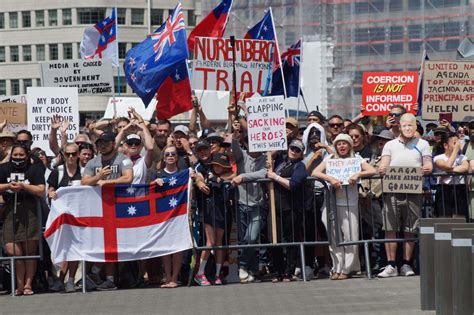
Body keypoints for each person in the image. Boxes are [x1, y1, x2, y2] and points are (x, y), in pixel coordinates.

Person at [313, 134, 376, 280]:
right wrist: (330, 178)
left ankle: (347, 268)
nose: (342, 146)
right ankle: (337, 266)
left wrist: (357, 174)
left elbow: (372, 170)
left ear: (350, 145)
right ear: (335, 146)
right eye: (339, 143)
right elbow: (315, 172)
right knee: (333, 236)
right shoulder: (329, 159)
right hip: (331, 202)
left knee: (350, 235)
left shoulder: (356, 159)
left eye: (345, 143)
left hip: (349, 202)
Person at [378, 113, 432, 278]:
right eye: (405, 125)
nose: (408, 128)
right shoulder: (390, 145)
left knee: (410, 227)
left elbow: (428, 162)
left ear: (415, 127)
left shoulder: (423, 144)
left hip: (413, 190)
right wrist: (382, 168)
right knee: (390, 227)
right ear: (399, 127)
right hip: (392, 190)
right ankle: (391, 264)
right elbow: (384, 163)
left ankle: (406, 264)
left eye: (411, 125)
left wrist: (428, 167)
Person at [81, 131, 133, 290]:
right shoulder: (93, 163)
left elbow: (128, 178)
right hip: (98, 209)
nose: (102, 146)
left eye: (105, 142)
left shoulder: (123, 160)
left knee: (114, 243)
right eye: (99, 143)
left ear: (113, 143)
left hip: (119, 208)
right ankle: (102, 275)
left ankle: (103, 275)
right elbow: (84, 181)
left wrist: (108, 183)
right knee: (103, 243)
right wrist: (98, 178)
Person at [0, 143, 45, 295]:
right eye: (15, 155)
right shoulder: (4, 168)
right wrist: (7, 186)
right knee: (13, 250)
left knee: (29, 251)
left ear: (27, 156)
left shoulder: (34, 169)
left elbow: (40, 190)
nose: (18, 158)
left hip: (29, 210)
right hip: (9, 210)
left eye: (21, 155)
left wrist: (24, 186)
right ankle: (18, 284)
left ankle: (27, 285)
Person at [266, 139, 307, 282]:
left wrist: (275, 177)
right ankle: (278, 271)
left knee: (291, 240)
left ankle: (288, 272)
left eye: (297, 150)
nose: (293, 151)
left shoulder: (300, 166)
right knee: (273, 240)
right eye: (292, 148)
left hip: (290, 208)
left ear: (301, 154)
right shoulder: (280, 162)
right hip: (275, 207)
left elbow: (293, 184)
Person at [230, 131, 267, 283]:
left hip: (257, 206)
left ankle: (243, 266)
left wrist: (243, 177)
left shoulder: (266, 158)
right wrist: (233, 120)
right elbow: (233, 144)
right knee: (245, 240)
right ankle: (251, 270)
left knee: (251, 238)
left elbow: (265, 173)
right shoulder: (242, 156)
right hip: (241, 204)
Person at [194, 153, 234, 286]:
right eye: (215, 165)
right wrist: (201, 182)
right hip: (209, 211)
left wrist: (223, 179)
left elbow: (234, 175)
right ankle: (200, 273)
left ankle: (217, 274)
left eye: (221, 165)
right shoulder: (207, 175)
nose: (217, 167)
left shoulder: (227, 177)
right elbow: (198, 178)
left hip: (222, 211)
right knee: (210, 242)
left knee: (219, 243)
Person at [47, 143, 82, 293]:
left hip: (78, 218)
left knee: (75, 249)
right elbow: (50, 188)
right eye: (68, 154)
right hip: (61, 218)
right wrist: (51, 193)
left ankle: (71, 280)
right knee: (63, 249)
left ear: (79, 154)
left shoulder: (84, 171)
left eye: (74, 154)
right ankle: (60, 278)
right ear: (63, 155)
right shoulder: (57, 171)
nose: (71, 157)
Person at [152, 145, 183, 288]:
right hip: (163, 216)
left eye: (173, 154)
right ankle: (167, 277)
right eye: (167, 154)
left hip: (179, 216)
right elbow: (148, 191)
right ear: (164, 158)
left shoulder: (183, 174)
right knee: (165, 248)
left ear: (177, 157)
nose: (170, 156)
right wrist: (153, 183)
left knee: (178, 248)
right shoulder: (157, 174)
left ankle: (175, 278)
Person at [433, 133, 469, 219]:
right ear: (445, 145)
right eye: (454, 143)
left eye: (458, 142)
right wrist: (455, 151)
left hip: (459, 188)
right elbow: (447, 165)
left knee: (460, 218)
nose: (457, 145)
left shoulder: (462, 157)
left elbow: (465, 167)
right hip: (444, 189)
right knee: (444, 218)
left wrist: (448, 171)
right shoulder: (438, 158)